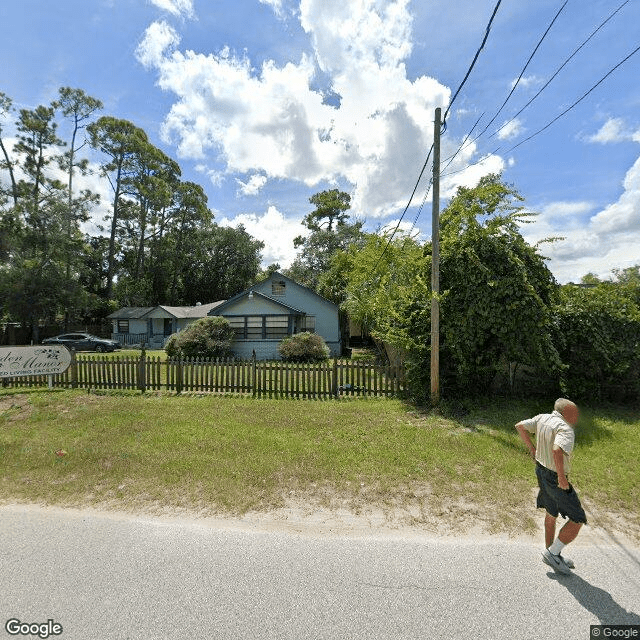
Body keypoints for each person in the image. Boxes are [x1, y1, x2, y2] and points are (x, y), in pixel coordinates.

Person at [515, 398, 587, 575]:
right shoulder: (565, 429)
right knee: (578, 519)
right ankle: (552, 553)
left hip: (540, 471)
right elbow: (557, 450)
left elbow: (520, 426)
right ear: (566, 413)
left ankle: (552, 553)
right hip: (555, 478)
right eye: (574, 413)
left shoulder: (542, 418)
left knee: (551, 512)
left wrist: (532, 449)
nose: (576, 417)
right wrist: (562, 478)